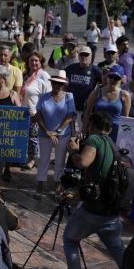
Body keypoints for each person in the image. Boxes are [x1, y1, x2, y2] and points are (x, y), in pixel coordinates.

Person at [61, 111, 134, 269]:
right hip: (111, 210)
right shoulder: (114, 145)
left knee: (70, 240)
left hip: (93, 209)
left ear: (91, 126)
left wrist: (74, 150)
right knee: (115, 247)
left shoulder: (95, 141)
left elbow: (83, 162)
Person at [34, 71, 76, 199]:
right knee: (43, 160)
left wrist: (57, 132)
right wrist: (47, 131)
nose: (57, 85)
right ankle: (40, 184)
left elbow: (70, 116)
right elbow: (38, 114)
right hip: (45, 133)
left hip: (62, 135)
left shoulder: (69, 97)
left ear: (64, 85)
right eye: (54, 83)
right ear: (51, 83)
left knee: (60, 161)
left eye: (60, 83)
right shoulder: (43, 96)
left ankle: (58, 185)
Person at [21, 52, 52, 170]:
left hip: (35, 112)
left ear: (40, 62)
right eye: (31, 61)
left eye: (36, 61)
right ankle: (27, 157)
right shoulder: (25, 75)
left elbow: (47, 97)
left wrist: (41, 113)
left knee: (34, 138)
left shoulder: (44, 75)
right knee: (26, 137)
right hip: (23, 110)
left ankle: (34, 159)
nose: (33, 63)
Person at [83, 66, 131, 141]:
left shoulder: (125, 95)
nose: (113, 80)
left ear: (121, 79)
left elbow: (126, 119)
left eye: (116, 78)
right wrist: (84, 130)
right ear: (107, 77)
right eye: (111, 76)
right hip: (96, 130)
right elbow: (87, 112)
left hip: (115, 132)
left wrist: (124, 137)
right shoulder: (97, 92)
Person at [65, 46, 102, 130]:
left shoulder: (96, 71)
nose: (84, 57)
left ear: (91, 56)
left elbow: (104, 85)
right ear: (78, 56)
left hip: (86, 110)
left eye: (86, 55)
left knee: (83, 132)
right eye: (82, 55)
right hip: (70, 107)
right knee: (68, 132)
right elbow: (62, 83)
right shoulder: (70, 68)